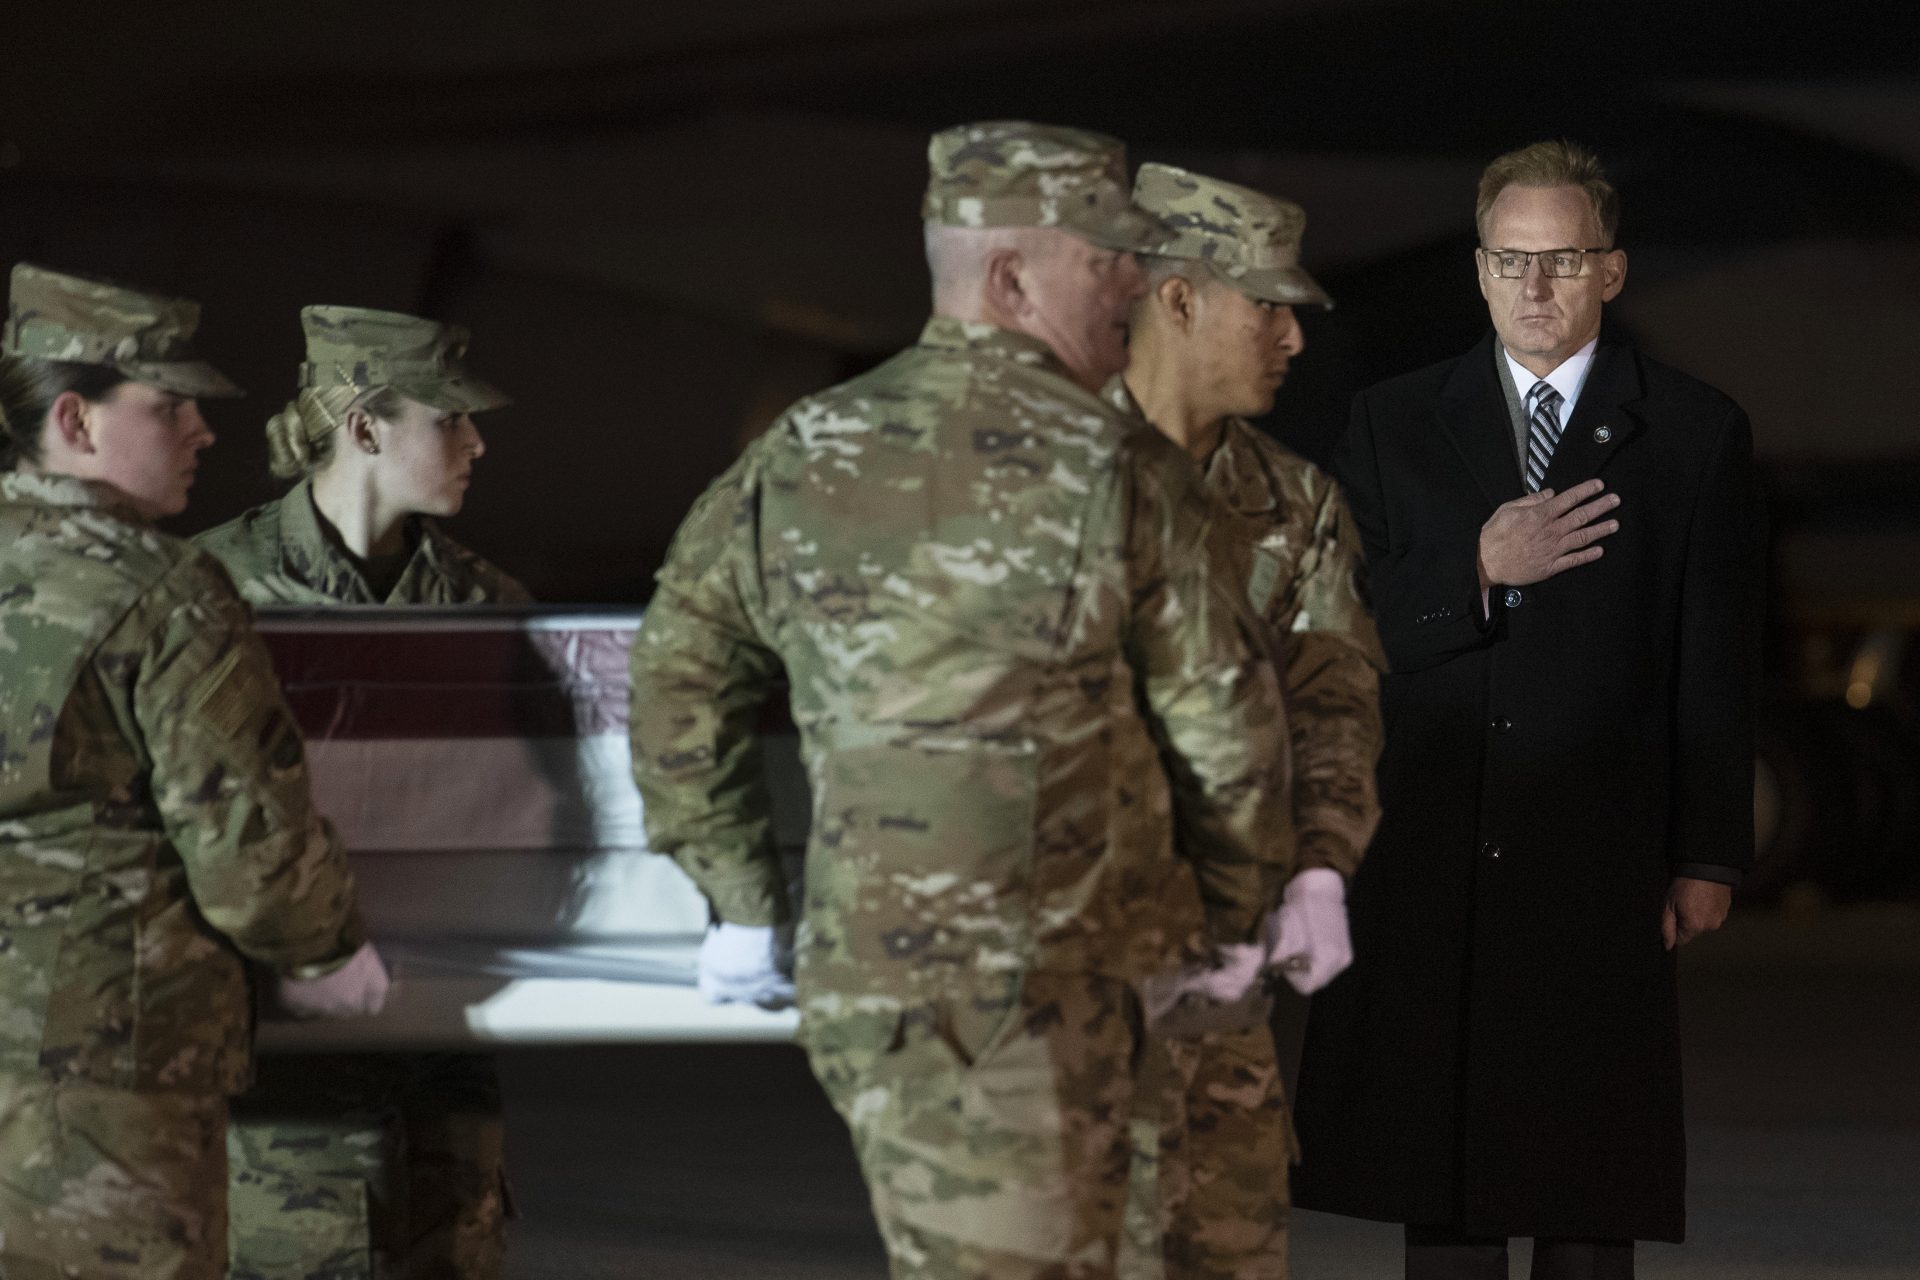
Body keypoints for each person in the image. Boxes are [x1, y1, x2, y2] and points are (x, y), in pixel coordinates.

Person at [629, 120, 1292, 1280]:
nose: (1134, 284)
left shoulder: (797, 453)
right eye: (1107, 258)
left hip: (868, 986)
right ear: (1008, 276)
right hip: (1043, 993)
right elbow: (1228, 725)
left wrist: (742, 899)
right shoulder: (1117, 467)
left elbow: (678, 677)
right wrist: (1236, 922)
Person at [1292, 140, 1761, 1280]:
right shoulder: (1394, 423)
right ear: (1479, 270)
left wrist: (1706, 851)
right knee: (1443, 1182)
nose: (1535, 287)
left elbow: (1715, 657)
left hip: (1597, 859)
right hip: (1434, 848)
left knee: (1588, 1178)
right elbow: (1336, 625)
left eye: (1561, 260)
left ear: (1611, 271)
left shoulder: (1693, 432)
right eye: (1512, 261)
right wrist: (1478, 566)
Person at [0, 263, 386, 1280]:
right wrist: (329, 951)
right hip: (103, 1067)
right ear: (75, 421)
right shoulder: (162, 590)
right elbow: (250, 850)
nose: (202, 432)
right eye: (169, 408)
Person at [196, 306, 522, 1280]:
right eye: (450, 418)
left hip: (442, 1043)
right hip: (282, 1053)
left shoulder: (485, 603)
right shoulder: (210, 588)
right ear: (366, 428)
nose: (476, 440)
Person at [1110, 163, 1386, 1280]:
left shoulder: (1293, 500)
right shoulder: (1032, 479)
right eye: (1265, 305)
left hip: (1223, 987)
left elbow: (1334, 696)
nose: (1293, 336)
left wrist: (1321, 866)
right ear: (1178, 298)